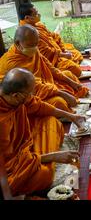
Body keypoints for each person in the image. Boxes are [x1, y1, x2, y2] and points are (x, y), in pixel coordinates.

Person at [0, 68, 85, 196]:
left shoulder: (14, 98)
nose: (31, 97)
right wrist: (53, 156)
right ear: (16, 95)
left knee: (52, 121)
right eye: (29, 94)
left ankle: (39, 156)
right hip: (10, 170)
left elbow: (39, 106)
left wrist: (70, 116)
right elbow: (7, 167)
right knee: (45, 174)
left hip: (24, 150)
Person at [0, 25, 89, 112]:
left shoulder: (32, 49)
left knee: (69, 75)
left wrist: (70, 81)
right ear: (18, 43)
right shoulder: (11, 63)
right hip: (30, 94)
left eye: (36, 44)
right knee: (59, 102)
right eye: (31, 45)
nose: (34, 48)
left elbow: (50, 68)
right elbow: (32, 88)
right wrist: (60, 92)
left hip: (46, 83)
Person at [18, 3, 82, 77]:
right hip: (52, 60)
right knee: (76, 69)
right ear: (27, 18)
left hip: (57, 51)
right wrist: (63, 55)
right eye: (35, 14)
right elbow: (45, 53)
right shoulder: (27, 33)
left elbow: (54, 36)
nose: (39, 15)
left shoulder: (38, 25)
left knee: (76, 53)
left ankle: (67, 64)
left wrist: (63, 49)